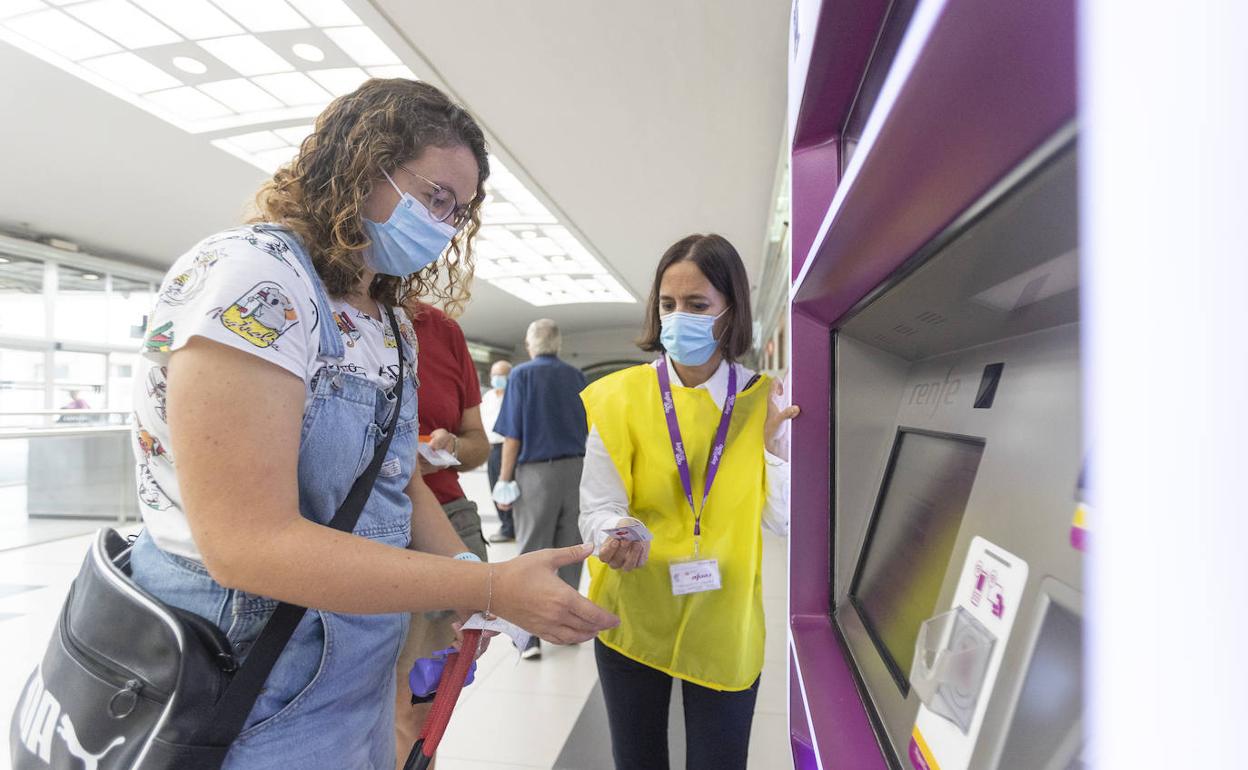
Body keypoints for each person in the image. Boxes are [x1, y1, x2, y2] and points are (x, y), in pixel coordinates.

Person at [124, 78, 617, 768]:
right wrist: (486, 585)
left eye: (459, 213)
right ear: (359, 166)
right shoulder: (253, 281)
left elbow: (396, 478)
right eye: (434, 198)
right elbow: (244, 544)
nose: (443, 226)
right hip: (242, 663)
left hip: (353, 658)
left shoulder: (386, 318)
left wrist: (467, 575)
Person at [578, 234, 800, 770]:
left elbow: (784, 519)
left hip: (724, 619)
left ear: (731, 311)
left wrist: (772, 449)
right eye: (668, 305)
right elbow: (597, 506)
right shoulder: (619, 397)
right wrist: (614, 531)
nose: (679, 318)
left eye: (697, 305)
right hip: (634, 608)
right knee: (638, 760)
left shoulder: (765, 399)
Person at [392, 300, 491, 767]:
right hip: (355, 529)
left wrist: (451, 446)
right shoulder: (323, 310)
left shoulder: (442, 330)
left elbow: (477, 442)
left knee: (418, 718)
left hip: (442, 522)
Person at [492, 319, 588, 660]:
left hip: (537, 473)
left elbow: (513, 434)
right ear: (558, 345)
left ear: (531, 345)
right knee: (571, 551)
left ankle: (529, 635)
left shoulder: (522, 376)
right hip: (576, 470)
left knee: (533, 551)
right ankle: (571, 625)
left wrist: (504, 479)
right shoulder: (576, 376)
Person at [480, 359, 515, 542]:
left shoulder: (513, 397)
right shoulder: (488, 397)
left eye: (501, 375)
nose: (497, 378)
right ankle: (505, 525)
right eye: (494, 375)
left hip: (508, 446)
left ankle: (510, 528)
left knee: (508, 487)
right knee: (495, 486)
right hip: (492, 448)